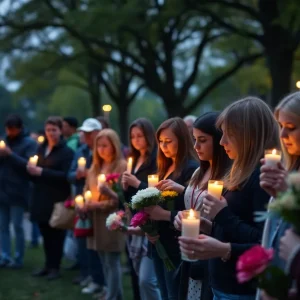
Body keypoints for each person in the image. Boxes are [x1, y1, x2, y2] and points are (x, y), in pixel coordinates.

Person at [179, 97, 279, 300]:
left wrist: (224, 243)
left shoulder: (263, 178)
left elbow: (265, 241)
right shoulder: (238, 172)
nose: (222, 141)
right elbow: (234, 226)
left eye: (228, 134)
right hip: (223, 285)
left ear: (249, 135)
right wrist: (206, 226)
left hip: (242, 290)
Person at [174, 112, 231, 300]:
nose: (196, 146)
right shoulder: (199, 171)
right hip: (190, 246)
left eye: (202, 140)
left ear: (219, 140)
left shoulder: (228, 177)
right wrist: (180, 217)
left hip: (211, 252)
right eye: (194, 139)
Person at [144, 117, 199, 300]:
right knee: (165, 291)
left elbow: (195, 208)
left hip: (176, 243)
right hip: (159, 241)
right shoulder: (165, 167)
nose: (163, 146)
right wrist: (148, 228)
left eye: (168, 141)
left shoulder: (191, 169)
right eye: (160, 141)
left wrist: (165, 215)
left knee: (175, 293)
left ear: (182, 141)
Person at [259, 91, 300, 299]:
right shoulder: (290, 170)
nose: (282, 136)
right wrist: (277, 196)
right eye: (281, 126)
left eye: (291, 127)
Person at [28, 116, 74, 280]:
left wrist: (42, 172)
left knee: (56, 234)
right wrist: (31, 170)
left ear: (61, 131)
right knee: (45, 233)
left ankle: (55, 266)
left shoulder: (66, 152)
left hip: (56, 198)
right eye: (48, 130)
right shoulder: (41, 148)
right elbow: (36, 173)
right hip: (41, 197)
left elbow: (66, 175)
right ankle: (48, 265)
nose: (51, 133)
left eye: (54, 130)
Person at [84, 129, 127, 300]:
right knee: (103, 259)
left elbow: (122, 197)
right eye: (98, 146)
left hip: (112, 219)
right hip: (95, 219)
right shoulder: (95, 166)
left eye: (105, 146)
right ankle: (116, 294)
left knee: (112, 260)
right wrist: (84, 204)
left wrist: (98, 203)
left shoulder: (121, 166)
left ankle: (111, 296)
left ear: (114, 146)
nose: (101, 149)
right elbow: (87, 189)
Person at [122, 118, 161, 300]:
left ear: (149, 136)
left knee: (147, 278)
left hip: (149, 219)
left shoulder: (156, 160)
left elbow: (155, 191)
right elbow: (130, 195)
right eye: (133, 136)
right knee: (136, 270)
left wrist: (136, 183)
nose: (136, 140)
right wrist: (124, 187)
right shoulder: (135, 159)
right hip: (134, 215)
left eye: (140, 136)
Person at [68, 118, 105, 296]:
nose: (86, 136)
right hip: (83, 199)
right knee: (83, 239)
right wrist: (76, 174)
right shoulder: (81, 150)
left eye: (90, 133)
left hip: (99, 202)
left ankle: (99, 278)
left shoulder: (102, 150)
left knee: (97, 242)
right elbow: (69, 174)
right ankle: (87, 274)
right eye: (85, 132)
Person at [0, 114, 37, 268]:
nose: (10, 132)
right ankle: (5, 256)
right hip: (2, 190)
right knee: (3, 226)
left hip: (19, 190)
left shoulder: (28, 143)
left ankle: (18, 258)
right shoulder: (4, 141)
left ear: (20, 128)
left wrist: (10, 154)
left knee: (17, 226)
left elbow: (29, 166)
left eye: (13, 129)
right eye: (8, 129)